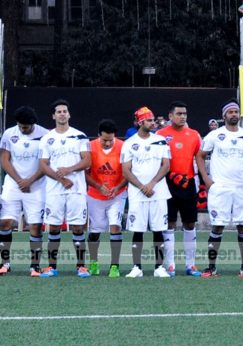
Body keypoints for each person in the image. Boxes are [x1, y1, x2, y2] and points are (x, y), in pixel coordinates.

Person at [200, 100, 243, 277]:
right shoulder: (214, 135)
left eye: (236, 111)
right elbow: (200, 156)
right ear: (224, 116)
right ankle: (211, 268)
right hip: (221, 187)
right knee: (218, 226)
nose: (234, 114)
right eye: (230, 112)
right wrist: (206, 179)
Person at [38, 100, 92, 278]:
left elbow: (87, 161)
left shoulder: (80, 136)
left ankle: (81, 267)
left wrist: (68, 171)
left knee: (78, 228)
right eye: (59, 111)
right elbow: (43, 165)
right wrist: (61, 180)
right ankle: (52, 267)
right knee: (53, 227)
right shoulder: (47, 138)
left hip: (76, 189)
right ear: (53, 116)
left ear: (69, 114)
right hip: (55, 190)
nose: (62, 114)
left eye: (65, 111)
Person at [0, 106, 48, 277]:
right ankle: (5, 263)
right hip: (13, 185)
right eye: (20, 126)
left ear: (34, 124)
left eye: (26, 127)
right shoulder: (9, 134)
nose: (23, 129)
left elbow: (46, 163)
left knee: (35, 226)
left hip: (36, 186)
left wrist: (30, 180)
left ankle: (35, 266)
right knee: (5, 223)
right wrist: (19, 181)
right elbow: (4, 159)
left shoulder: (45, 135)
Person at [158, 101, 209, 277]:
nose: (182, 117)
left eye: (185, 114)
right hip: (167, 185)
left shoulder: (194, 135)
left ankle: (191, 265)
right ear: (170, 116)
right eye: (179, 113)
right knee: (169, 223)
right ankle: (170, 264)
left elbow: (200, 159)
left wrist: (204, 182)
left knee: (189, 223)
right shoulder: (160, 135)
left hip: (188, 184)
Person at [121, 107, 172, 279]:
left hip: (158, 192)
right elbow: (126, 170)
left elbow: (166, 165)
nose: (153, 123)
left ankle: (159, 267)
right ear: (140, 122)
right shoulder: (129, 143)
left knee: (159, 230)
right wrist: (142, 186)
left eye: (153, 120)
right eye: (149, 120)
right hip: (137, 194)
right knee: (137, 231)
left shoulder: (161, 141)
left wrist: (151, 184)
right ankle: (137, 267)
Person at [85, 119, 127, 278]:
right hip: (96, 195)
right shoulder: (90, 146)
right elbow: (84, 173)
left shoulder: (123, 146)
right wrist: (98, 186)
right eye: (104, 140)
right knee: (96, 230)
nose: (108, 143)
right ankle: (94, 263)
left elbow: (128, 171)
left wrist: (117, 188)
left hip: (118, 194)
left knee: (115, 226)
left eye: (111, 140)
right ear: (98, 136)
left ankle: (114, 266)